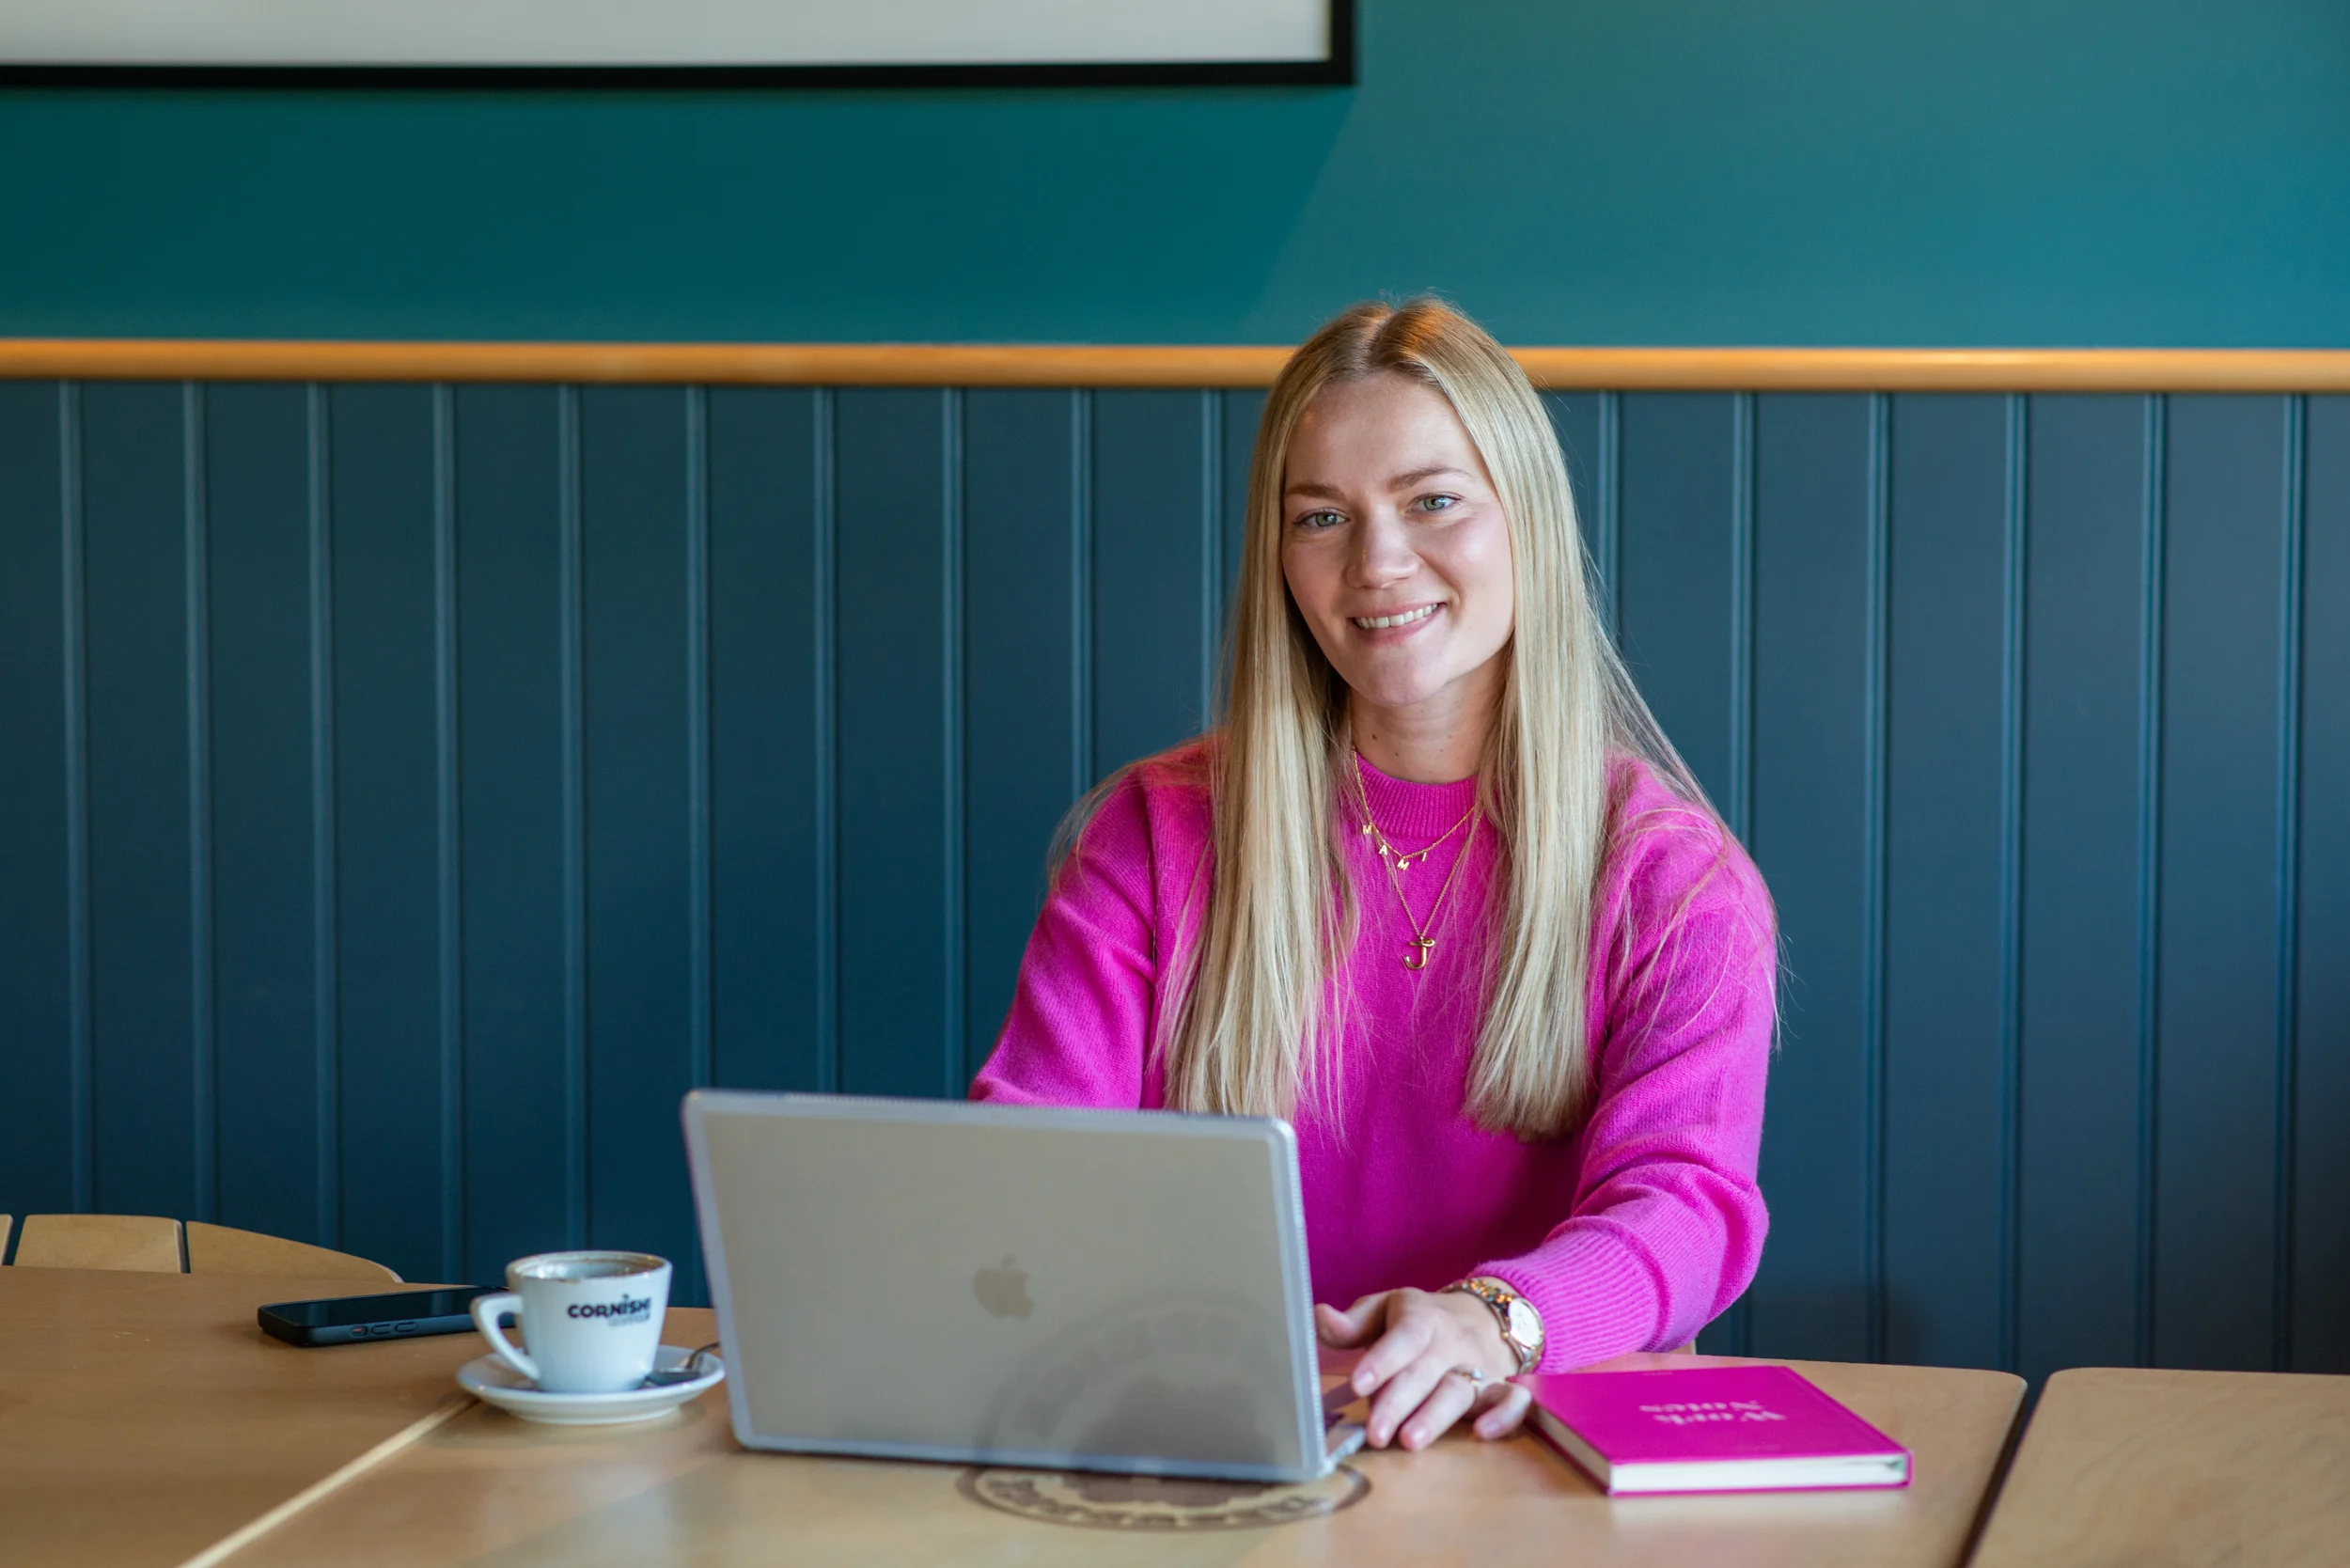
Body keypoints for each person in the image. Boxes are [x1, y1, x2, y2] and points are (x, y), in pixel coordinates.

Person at [970, 298, 1776, 1453]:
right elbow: (1030, 1160)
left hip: (1529, 1452)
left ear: (1526, 519)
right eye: (1321, 517)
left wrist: (1494, 1321)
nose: (1376, 564)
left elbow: (1685, 1209)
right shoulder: (1152, 834)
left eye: (1432, 500)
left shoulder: (1674, 881)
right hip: (1218, 1435)